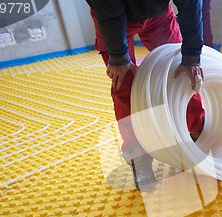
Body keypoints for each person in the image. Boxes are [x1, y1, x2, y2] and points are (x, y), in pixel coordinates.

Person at [86, 0, 205, 190]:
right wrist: (118, 57)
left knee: (181, 71)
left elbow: (191, 6)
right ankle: (137, 155)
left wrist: (191, 56)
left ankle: (197, 127)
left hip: (159, 15)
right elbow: (109, 10)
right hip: (114, 20)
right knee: (124, 83)